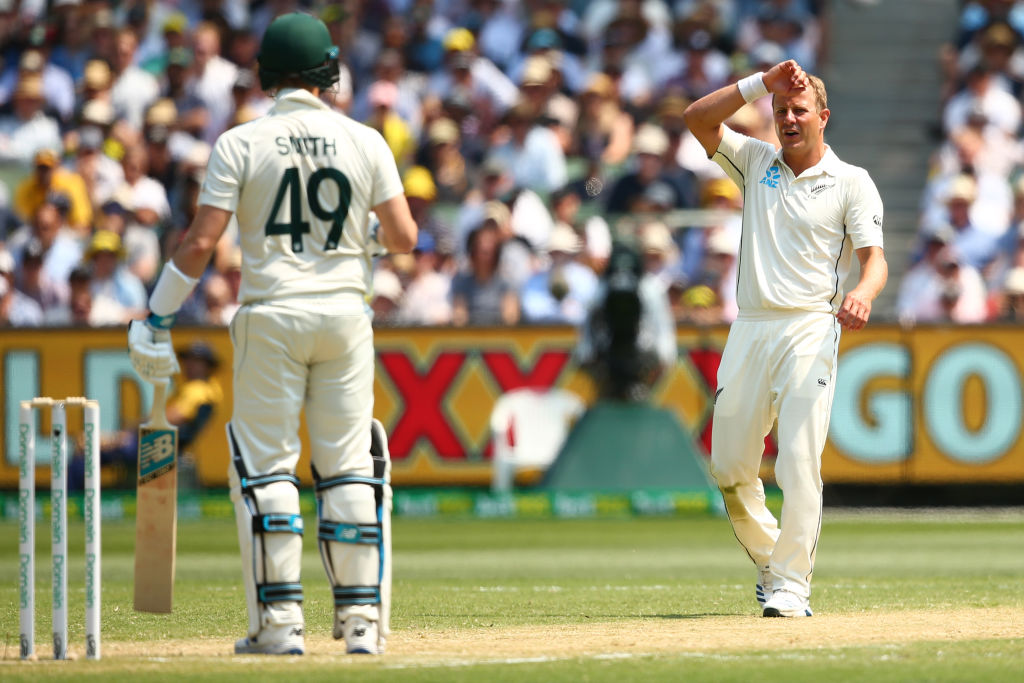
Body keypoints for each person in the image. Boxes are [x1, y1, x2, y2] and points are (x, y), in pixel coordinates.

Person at [127, 13, 417, 656]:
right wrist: (357, 241)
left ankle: (280, 624)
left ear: (265, 73)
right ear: (328, 71)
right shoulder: (365, 138)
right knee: (345, 466)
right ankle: (362, 624)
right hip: (346, 315)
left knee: (266, 468)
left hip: (273, 314)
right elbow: (404, 238)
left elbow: (202, 241)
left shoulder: (240, 142)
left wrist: (158, 315)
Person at [683, 60, 887, 618]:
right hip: (749, 326)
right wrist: (759, 84)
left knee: (798, 459)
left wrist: (863, 293)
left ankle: (792, 584)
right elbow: (696, 119)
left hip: (809, 327)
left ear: (823, 117)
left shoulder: (851, 181)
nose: (788, 119)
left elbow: (874, 261)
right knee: (728, 468)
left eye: (799, 111)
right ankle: (773, 563)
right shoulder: (756, 161)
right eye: (780, 112)